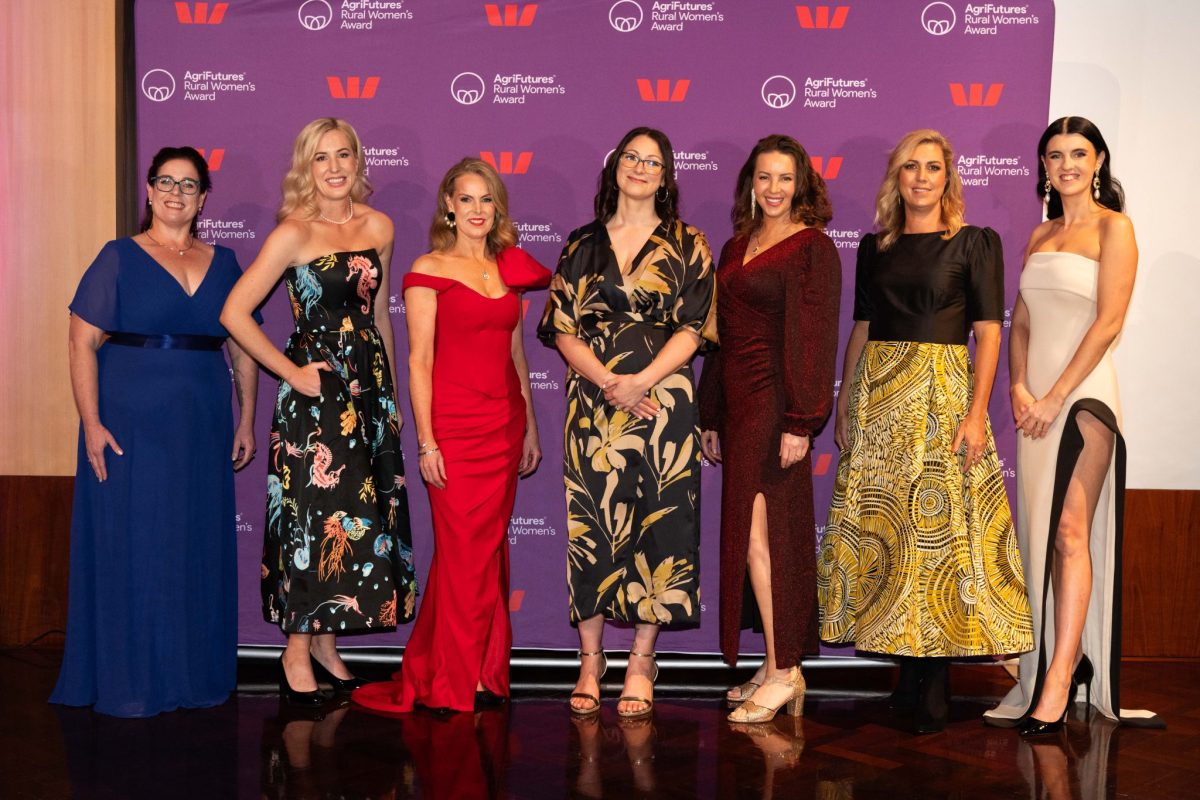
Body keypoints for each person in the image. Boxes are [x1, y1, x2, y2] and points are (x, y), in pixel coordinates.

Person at [816, 129, 1033, 733]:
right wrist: (846, 399)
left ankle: (933, 681)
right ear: (897, 177)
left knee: (936, 537)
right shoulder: (873, 247)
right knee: (888, 532)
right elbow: (862, 327)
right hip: (881, 397)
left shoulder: (974, 244)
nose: (920, 177)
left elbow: (988, 332)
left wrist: (974, 412)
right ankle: (903, 678)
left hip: (942, 397)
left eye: (932, 168)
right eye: (910, 167)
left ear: (948, 178)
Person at [50, 146, 258, 717]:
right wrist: (91, 422)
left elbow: (241, 347)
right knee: (133, 543)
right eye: (165, 181)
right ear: (148, 189)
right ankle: (130, 678)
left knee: (192, 544)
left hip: (202, 421)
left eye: (189, 185)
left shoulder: (226, 261)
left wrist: (245, 417)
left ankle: (191, 675)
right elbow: (81, 343)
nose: (176, 193)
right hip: (128, 422)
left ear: (203, 197)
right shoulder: (118, 257)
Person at [221, 118, 417, 706]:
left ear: (359, 162)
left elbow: (380, 315)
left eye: (343, 156)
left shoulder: (379, 226)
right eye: (320, 159)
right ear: (305, 168)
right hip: (316, 396)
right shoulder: (292, 234)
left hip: (370, 392)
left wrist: (392, 397)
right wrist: (292, 372)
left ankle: (328, 643)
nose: (334, 168)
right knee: (314, 518)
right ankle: (296, 648)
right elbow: (233, 314)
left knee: (359, 521)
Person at [351, 158, 550, 714]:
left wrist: (530, 423)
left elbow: (515, 351)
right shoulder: (427, 268)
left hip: (504, 423)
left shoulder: (506, 268)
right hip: (456, 431)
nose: (478, 210)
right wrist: (427, 442)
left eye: (487, 200)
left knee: (485, 556)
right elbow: (417, 361)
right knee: (464, 553)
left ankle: (482, 673)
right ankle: (447, 683)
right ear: (448, 206)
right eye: (467, 199)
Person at [984, 117, 1161, 732]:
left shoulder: (1116, 228)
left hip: (1084, 398)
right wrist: (1017, 386)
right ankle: (1059, 660)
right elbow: (1023, 323)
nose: (1067, 165)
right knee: (1041, 536)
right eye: (1055, 155)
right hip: (1036, 401)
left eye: (1078, 154)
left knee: (1069, 532)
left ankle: (1062, 675)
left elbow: (1108, 321)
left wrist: (1056, 395)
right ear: (1045, 167)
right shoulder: (1040, 232)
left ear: (1099, 160)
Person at [538, 126, 718, 719]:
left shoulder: (689, 243)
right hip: (593, 405)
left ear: (666, 176)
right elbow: (562, 327)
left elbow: (695, 328)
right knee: (592, 525)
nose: (641, 168)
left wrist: (641, 382)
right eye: (632, 158)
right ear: (615, 167)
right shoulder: (581, 243)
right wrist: (608, 382)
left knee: (659, 525)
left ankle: (642, 657)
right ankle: (591, 660)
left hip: (664, 403)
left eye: (653, 161)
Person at [697, 134, 841, 723]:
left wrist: (802, 422)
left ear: (801, 183)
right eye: (764, 177)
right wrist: (710, 413)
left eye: (785, 178)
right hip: (736, 405)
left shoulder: (813, 249)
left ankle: (784, 672)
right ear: (750, 184)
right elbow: (719, 334)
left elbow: (815, 340)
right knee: (753, 539)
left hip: (778, 406)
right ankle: (775, 663)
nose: (774, 189)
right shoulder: (736, 246)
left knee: (765, 540)